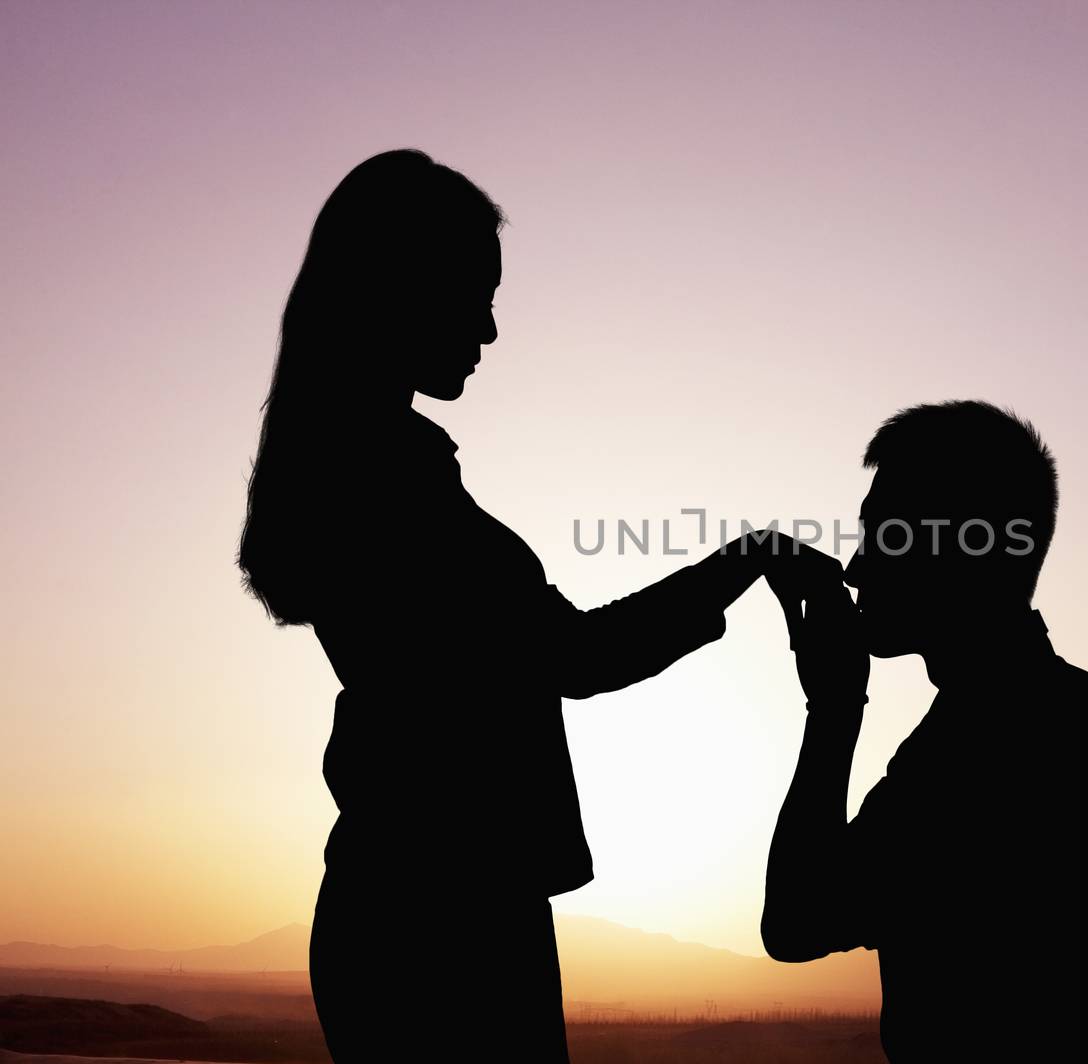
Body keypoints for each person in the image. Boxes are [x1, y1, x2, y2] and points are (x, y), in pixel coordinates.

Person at [237, 149, 798, 1061]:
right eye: (475, 293)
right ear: (399, 287)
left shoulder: (370, 468)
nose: (491, 330)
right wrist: (747, 562)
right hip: (445, 922)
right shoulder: (390, 483)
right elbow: (578, 656)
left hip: (418, 902)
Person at [762, 400, 1088, 1062]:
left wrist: (834, 708)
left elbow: (797, 920)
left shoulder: (987, 748)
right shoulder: (1054, 715)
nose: (855, 566)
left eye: (882, 535)